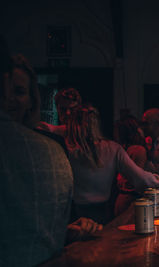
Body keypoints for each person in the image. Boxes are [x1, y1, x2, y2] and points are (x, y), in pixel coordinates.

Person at [0, 49, 101, 266]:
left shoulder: (52, 146)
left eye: (18, 91)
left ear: (30, 100)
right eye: (61, 110)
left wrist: (68, 229)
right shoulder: (49, 137)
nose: (9, 98)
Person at [65, 104, 159, 224]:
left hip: (72, 215)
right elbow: (141, 179)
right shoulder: (113, 148)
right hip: (102, 213)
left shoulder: (64, 150)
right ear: (96, 123)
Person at [114, 115, 151, 216]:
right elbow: (137, 180)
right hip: (131, 200)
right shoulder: (138, 150)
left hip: (121, 198)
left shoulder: (122, 150)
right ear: (136, 130)